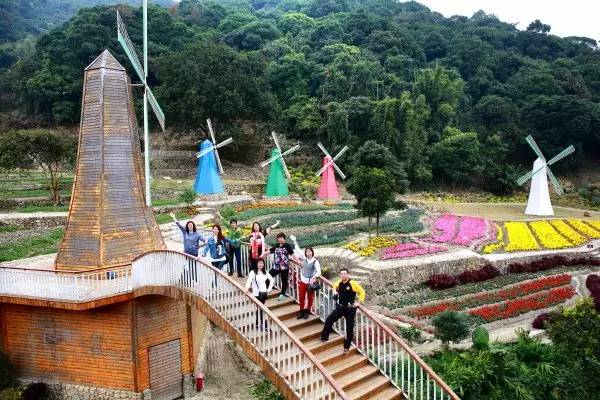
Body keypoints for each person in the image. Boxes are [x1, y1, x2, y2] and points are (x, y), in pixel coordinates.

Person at [320, 268, 366, 353]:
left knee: (349, 329)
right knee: (329, 319)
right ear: (340, 275)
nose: (343, 275)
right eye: (341, 274)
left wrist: (359, 302)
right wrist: (335, 292)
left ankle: (346, 347)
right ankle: (324, 337)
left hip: (350, 309)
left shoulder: (353, 283)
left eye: (345, 274)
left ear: (348, 274)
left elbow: (362, 292)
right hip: (340, 307)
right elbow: (334, 285)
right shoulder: (339, 283)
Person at [261, 232, 299, 301]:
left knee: (284, 280)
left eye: (281, 238)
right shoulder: (277, 245)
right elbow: (270, 251)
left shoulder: (287, 245)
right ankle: (265, 292)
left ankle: (282, 294)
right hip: (276, 266)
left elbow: (292, 254)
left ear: (284, 238)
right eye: (278, 238)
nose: (279, 239)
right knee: (268, 277)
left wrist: (298, 261)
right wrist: (263, 254)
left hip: (284, 266)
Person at [245, 259, 274, 331]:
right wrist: (246, 288)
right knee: (261, 309)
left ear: (263, 264)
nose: (260, 264)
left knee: (260, 309)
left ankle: (258, 323)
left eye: (262, 263)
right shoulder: (253, 272)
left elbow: (272, 279)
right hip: (256, 294)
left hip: (263, 293)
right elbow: (249, 280)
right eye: (259, 263)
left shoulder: (265, 272)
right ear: (257, 264)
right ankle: (265, 325)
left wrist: (269, 289)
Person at [294, 247, 321, 320]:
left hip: (310, 283)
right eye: (307, 252)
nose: (308, 253)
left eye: (310, 251)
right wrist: (298, 261)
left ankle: (308, 311)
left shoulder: (315, 261)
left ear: (312, 252)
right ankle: (301, 311)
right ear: (305, 253)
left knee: (310, 298)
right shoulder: (304, 259)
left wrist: (314, 277)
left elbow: (319, 272)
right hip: (303, 282)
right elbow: (297, 254)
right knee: (301, 297)